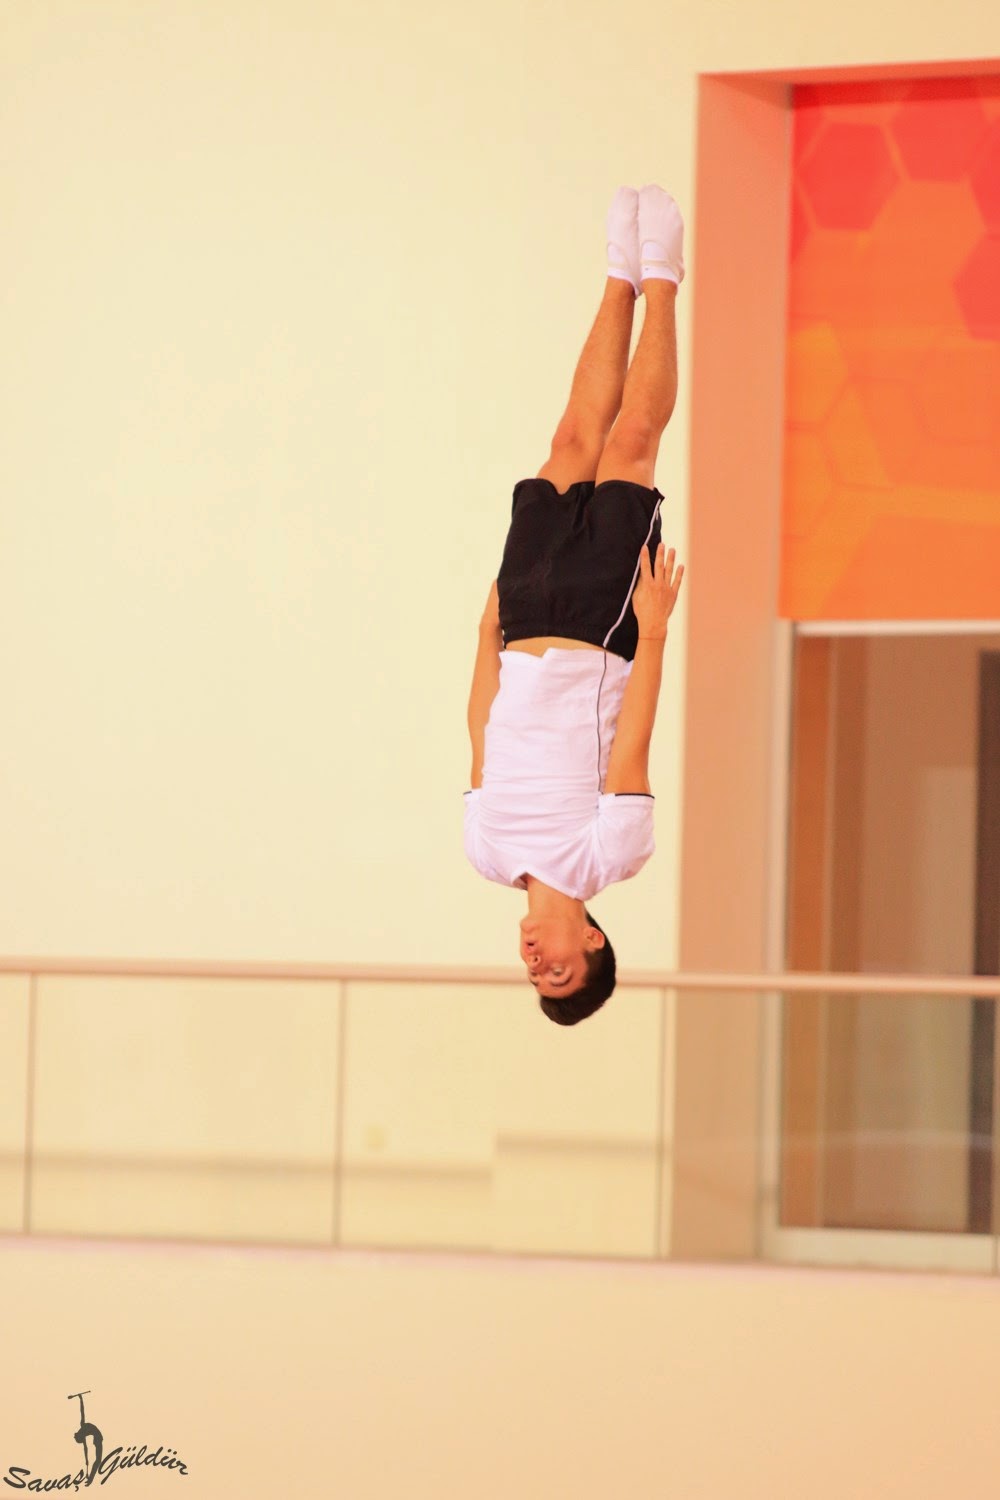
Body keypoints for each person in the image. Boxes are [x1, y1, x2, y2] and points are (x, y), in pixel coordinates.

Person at [464, 185, 685, 1025]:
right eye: (559, 974)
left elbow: (483, 732)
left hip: (524, 620)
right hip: (600, 623)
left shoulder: (487, 853)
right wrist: (653, 632)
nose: (537, 965)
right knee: (630, 443)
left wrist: (485, 633)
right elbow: (633, 743)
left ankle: (618, 274)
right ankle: (662, 277)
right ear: (592, 941)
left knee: (568, 438)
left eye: (535, 979)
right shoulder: (609, 858)